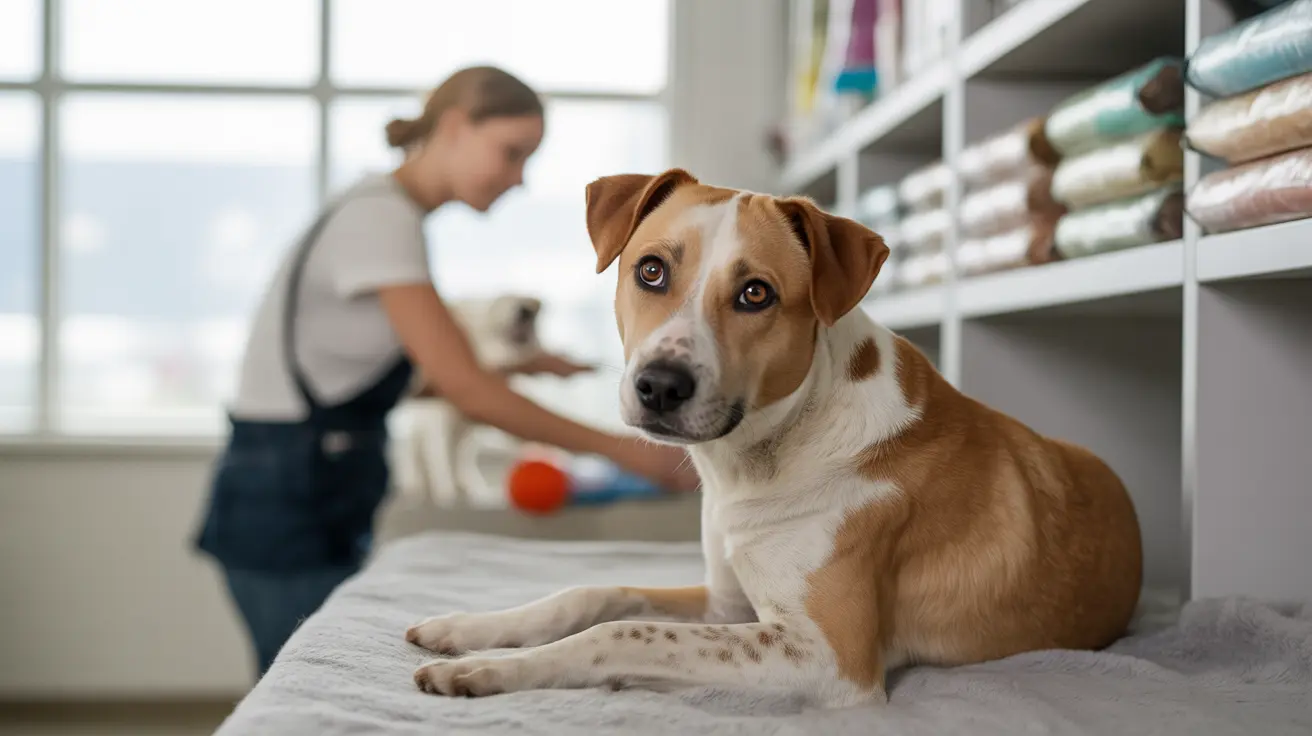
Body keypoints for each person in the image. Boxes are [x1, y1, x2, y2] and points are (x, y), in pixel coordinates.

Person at [192, 65, 699, 678]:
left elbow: (403, 377)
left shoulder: (380, 210)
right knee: (304, 683)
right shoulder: (382, 218)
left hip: (310, 481)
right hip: (285, 495)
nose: (519, 177)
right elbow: (465, 388)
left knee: (307, 675)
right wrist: (631, 452)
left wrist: (526, 366)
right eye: (511, 153)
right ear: (456, 126)